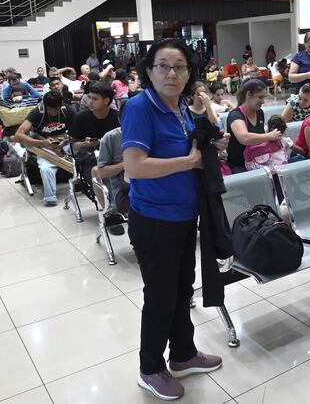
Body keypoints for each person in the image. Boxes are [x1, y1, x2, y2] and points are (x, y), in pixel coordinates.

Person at [122, 38, 223, 400]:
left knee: (182, 291)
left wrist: (209, 149)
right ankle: (150, 368)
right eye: (163, 66)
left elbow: (191, 148)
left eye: (179, 67)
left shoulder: (181, 107)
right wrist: (189, 162)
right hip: (153, 219)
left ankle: (182, 354)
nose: (171, 73)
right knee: (161, 296)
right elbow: (134, 167)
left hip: (183, 215)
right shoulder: (140, 107)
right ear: (148, 72)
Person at [14, 91, 72, 206]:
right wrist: (43, 142)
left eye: (57, 109)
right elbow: (18, 135)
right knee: (46, 168)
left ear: (61, 105)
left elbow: (77, 131)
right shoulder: (37, 112)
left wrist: (64, 141)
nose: (54, 112)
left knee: (82, 156)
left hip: (65, 143)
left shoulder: (68, 110)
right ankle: (50, 197)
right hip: (45, 145)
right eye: (51, 109)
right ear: (45, 106)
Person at [69, 82, 120, 187]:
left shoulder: (118, 117)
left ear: (106, 101)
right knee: (100, 180)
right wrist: (85, 144)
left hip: (114, 157)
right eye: (89, 97)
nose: (90, 102)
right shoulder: (80, 118)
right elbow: (73, 145)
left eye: (95, 99)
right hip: (90, 158)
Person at [227, 79, 281, 174]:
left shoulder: (259, 112)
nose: (263, 101)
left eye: (264, 97)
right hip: (240, 164)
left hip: (260, 159)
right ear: (249, 95)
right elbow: (244, 138)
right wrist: (269, 136)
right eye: (260, 97)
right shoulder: (235, 115)